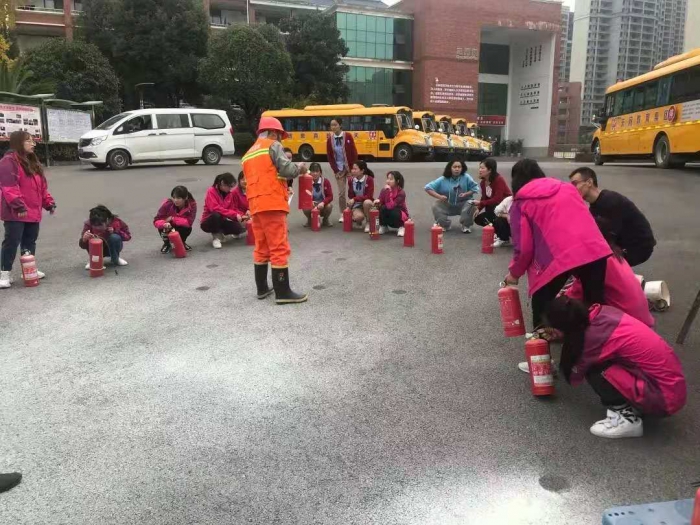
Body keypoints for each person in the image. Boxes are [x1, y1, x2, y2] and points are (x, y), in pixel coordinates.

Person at [545, 297, 686, 439]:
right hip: (671, 387)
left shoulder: (593, 338)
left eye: (554, 329)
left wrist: (550, 367)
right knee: (605, 360)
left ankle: (628, 420)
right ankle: (636, 404)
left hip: (663, 399)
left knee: (595, 369)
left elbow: (575, 375)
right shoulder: (602, 312)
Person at [504, 159, 611, 330]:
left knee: (542, 302)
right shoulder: (567, 188)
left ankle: (541, 342)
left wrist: (514, 273)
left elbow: (524, 248)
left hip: (559, 256)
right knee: (595, 304)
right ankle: (602, 339)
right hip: (593, 248)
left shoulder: (520, 204)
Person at [242, 116, 306, 304]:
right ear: (273, 132)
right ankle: (283, 292)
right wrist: (299, 168)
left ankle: (262, 288)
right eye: (279, 135)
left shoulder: (248, 154)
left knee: (261, 247)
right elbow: (287, 170)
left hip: (255, 205)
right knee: (279, 247)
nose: (280, 139)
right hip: (272, 202)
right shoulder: (272, 145)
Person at [565, 216, 655, 327]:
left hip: (626, 326)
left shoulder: (595, 264)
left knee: (565, 314)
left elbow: (572, 298)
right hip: (641, 322)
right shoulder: (614, 254)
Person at [0, 130, 56, 289]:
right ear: (19, 142)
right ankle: (5, 273)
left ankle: (28, 270)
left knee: (29, 241)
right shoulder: (8, 161)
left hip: (33, 211)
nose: (33, 144)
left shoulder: (32, 161)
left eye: (33, 141)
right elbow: (9, 187)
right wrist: (19, 206)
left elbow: (41, 187)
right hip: (16, 212)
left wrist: (48, 203)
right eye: (29, 141)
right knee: (11, 242)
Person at [569, 167, 656, 266]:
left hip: (639, 247)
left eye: (575, 184)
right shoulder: (595, 206)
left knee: (598, 264)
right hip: (626, 244)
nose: (572, 188)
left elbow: (608, 237)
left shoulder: (610, 201)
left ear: (589, 182)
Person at [425, 159, 479, 233]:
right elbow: (428, 188)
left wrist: (466, 194)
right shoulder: (443, 179)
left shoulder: (466, 177)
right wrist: (439, 197)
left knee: (471, 204)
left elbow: (475, 188)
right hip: (448, 203)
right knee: (436, 205)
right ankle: (444, 225)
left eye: (459, 167)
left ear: (462, 168)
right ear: (450, 168)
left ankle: (466, 226)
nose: (457, 169)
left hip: (463, 204)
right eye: (454, 167)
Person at [200, 172, 245, 249]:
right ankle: (216, 238)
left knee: (239, 228)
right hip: (208, 220)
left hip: (222, 219)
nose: (230, 189)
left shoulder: (229, 194)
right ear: (223, 183)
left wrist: (241, 216)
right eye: (229, 186)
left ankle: (220, 232)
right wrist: (233, 214)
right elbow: (214, 208)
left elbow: (232, 209)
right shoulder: (211, 191)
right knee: (216, 215)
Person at [326, 118, 357, 221]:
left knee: (353, 191)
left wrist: (354, 168)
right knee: (341, 193)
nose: (333, 127)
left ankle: (354, 211)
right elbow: (330, 157)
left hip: (350, 169)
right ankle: (343, 213)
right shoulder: (330, 140)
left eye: (335, 125)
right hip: (339, 170)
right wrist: (335, 170)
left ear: (340, 125)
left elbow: (354, 152)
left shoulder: (348, 136)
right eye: (332, 125)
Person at [153, 185, 197, 253]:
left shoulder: (192, 205)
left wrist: (173, 218)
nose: (175, 200)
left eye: (178, 198)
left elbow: (189, 222)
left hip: (180, 226)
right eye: (174, 197)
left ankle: (182, 242)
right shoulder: (167, 205)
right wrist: (164, 223)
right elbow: (156, 220)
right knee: (162, 228)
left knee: (187, 228)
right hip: (168, 226)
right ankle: (167, 244)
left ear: (185, 198)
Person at [473, 158, 512, 228]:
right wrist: (479, 208)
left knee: (492, 206)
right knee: (478, 219)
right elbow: (484, 198)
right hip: (493, 208)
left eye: (482, 168)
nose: (480, 170)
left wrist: (480, 203)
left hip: (504, 208)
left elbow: (497, 199)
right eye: (480, 168)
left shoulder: (499, 180)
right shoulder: (483, 182)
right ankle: (494, 225)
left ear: (490, 170)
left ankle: (498, 226)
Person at [374, 170, 409, 237]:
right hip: (389, 212)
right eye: (388, 178)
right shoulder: (384, 190)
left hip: (399, 215)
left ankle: (401, 227)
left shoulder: (401, 193)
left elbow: (391, 206)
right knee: (382, 208)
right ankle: (384, 226)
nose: (388, 181)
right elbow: (381, 199)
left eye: (391, 179)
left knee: (391, 210)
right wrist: (378, 201)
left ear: (397, 181)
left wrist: (389, 191)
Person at [347, 160, 375, 232]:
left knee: (367, 202)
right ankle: (357, 220)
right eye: (352, 169)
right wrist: (350, 185)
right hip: (357, 205)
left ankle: (368, 222)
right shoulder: (351, 180)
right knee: (359, 217)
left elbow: (369, 196)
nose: (353, 171)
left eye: (355, 169)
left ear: (362, 171)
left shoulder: (369, 179)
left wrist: (355, 199)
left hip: (367, 203)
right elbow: (350, 196)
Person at [303, 162, 333, 228]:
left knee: (329, 206)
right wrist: (310, 202)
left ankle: (325, 220)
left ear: (320, 172)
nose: (315, 173)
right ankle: (310, 220)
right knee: (305, 207)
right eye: (313, 171)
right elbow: (304, 197)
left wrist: (323, 203)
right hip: (312, 204)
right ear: (309, 172)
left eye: (317, 171)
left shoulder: (326, 181)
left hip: (322, 205)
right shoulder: (306, 182)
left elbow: (330, 196)